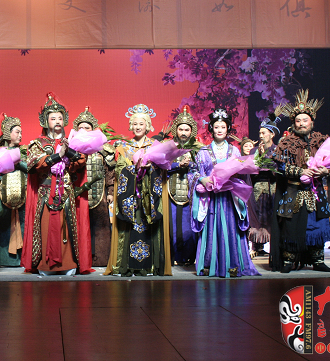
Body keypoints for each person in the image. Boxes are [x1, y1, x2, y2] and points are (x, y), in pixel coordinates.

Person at [22, 93, 92, 275]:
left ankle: (68, 264)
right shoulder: (38, 143)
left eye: (60, 118)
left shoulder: (73, 141)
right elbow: (34, 163)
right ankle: (46, 265)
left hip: (66, 191)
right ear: (46, 121)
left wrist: (68, 152)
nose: (57, 121)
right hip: (46, 192)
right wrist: (57, 155)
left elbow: (81, 161)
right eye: (53, 118)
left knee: (67, 228)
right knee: (46, 227)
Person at [190, 108, 260, 277]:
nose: (220, 130)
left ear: (228, 128)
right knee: (211, 229)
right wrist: (203, 179)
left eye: (223, 127)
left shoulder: (234, 151)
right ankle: (209, 264)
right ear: (211, 129)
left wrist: (232, 177)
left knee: (230, 228)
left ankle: (232, 264)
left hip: (229, 198)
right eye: (216, 127)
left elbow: (240, 172)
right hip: (212, 198)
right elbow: (194, 172)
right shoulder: (203, 151)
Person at [271, 90, 330, 273]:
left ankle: (318, 261)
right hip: (294, 191)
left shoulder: (321, 141)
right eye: (298, 120)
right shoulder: (285, 143)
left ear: (311, 122)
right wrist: (300, 171)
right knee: (290, 226)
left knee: (317, 225)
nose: (301, 123)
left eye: (305, 120)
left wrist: (326, 170)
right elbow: (280, 167)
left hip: (315, 192)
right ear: (294, 123)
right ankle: (288, 261)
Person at [106, 103, 171, 276]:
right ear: (130, 126)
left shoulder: (155, 145)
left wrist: (151, 167)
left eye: (141, 124)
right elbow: (119, 170)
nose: (138, 127)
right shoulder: (124, 146)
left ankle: (150, 266)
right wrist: (133, 168)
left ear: (148, 126)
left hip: (149, 196)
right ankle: (127, 266)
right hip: (130, 195)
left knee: (149, 226)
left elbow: (162, 169)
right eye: (135, 124)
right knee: (130, 227)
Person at [73, 107, 115, 267]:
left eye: (87, 127)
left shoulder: (103, 149)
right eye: (81, 128)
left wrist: (110, 191)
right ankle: (80, 259)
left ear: (93, 129)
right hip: (78, 194)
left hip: (100, 195)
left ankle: (101, 259)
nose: (84, 130)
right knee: (79, 226)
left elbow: (109, 171)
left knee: (101, 227)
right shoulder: (72, 148)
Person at [0, 113, 28, 267]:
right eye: (17, 132)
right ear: (8, 133)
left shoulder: (25, 151)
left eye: (21, 132)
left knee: (23, 223)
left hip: (22, 192)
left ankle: (22, 258)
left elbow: (31, 169)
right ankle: (2, 258)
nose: (20, 135)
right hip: (2, 192)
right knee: (3, 225)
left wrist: (19, 163)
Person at [166, 106, 203, 266]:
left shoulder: (199, 149)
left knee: (189, 227)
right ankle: (173, 256)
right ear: (176, 130)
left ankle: (189, 257)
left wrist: (191, 165)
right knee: (173, 226)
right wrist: (177, 165)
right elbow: (162, 166)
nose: (183, 132)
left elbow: (204, 169)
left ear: (191, 131)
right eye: (180, 129)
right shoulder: (169, 147)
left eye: (186, 130)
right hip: (171, 190)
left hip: (192, 192)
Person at [247, 112, 281, 258]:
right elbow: (250, 170)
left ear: (272, 134)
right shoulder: (254, 151)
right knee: (257, 214)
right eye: (260, 133)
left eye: (264, 133)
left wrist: (267, 158)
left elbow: (279, 169)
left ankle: (274, 246)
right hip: (258, 186)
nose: (261, 136)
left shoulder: (278, 150)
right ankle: (256, 246)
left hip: (273, 186)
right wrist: (259, 158)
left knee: (272, 214)